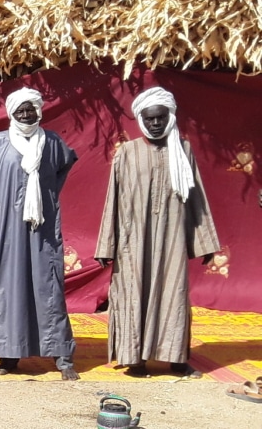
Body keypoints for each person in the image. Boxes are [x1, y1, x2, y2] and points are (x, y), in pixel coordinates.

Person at [0, 88, 80, 380]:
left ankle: (61, 357)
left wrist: (49, 194)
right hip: (3, 229)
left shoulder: (51, 143)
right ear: (11, 113)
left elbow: (66, 163)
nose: (26, 115)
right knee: (5, 287)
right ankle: (8, 355)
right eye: (20, 110)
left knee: (47, 287)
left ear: (39, 111)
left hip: (41, 228)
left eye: (30, 110)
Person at [94, 87, 220, 378]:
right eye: (149, 119)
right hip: (132, 240)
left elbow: (196, 198)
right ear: (140, 118)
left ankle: (176, 360)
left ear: (170, 116)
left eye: (160, 118)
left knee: (173, 293)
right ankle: (134, 359)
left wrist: (205, 243)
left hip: (172, 238)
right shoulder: (127, 153)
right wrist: (106, 245)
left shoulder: (183, 150)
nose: (155, 124)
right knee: (132, 293)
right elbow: (112, 200)